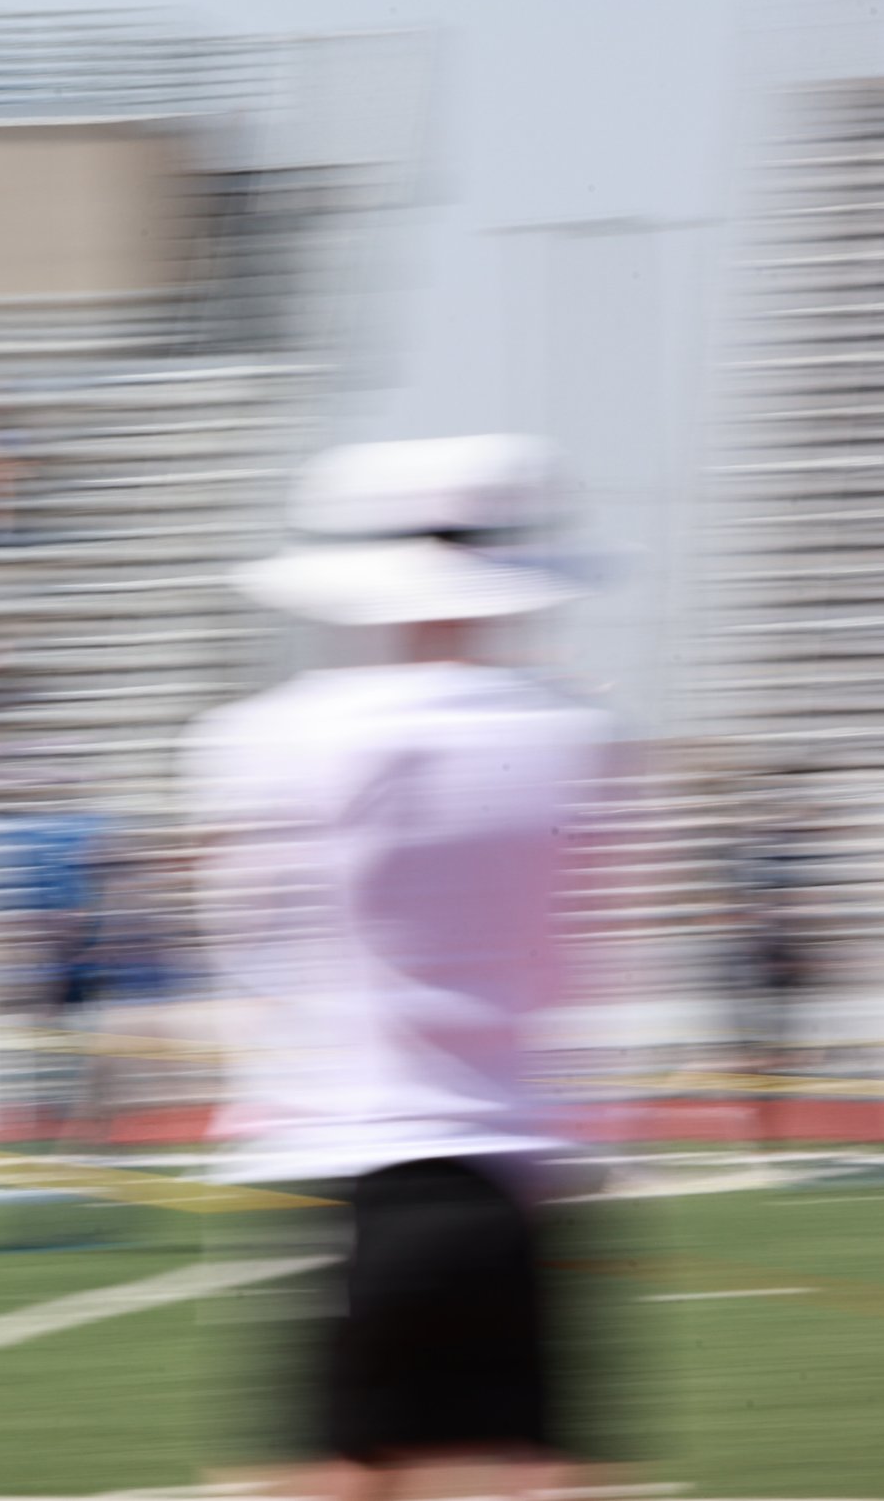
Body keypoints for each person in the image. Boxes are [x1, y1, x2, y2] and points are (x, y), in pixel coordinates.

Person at [186, 436, 619, 1501]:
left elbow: (243, 945)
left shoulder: (259, 739)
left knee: (335, 1472)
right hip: (521, 1161)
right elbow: (577, 952)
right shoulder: (582, 738)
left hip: (340, 1157)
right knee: (521, 1473)